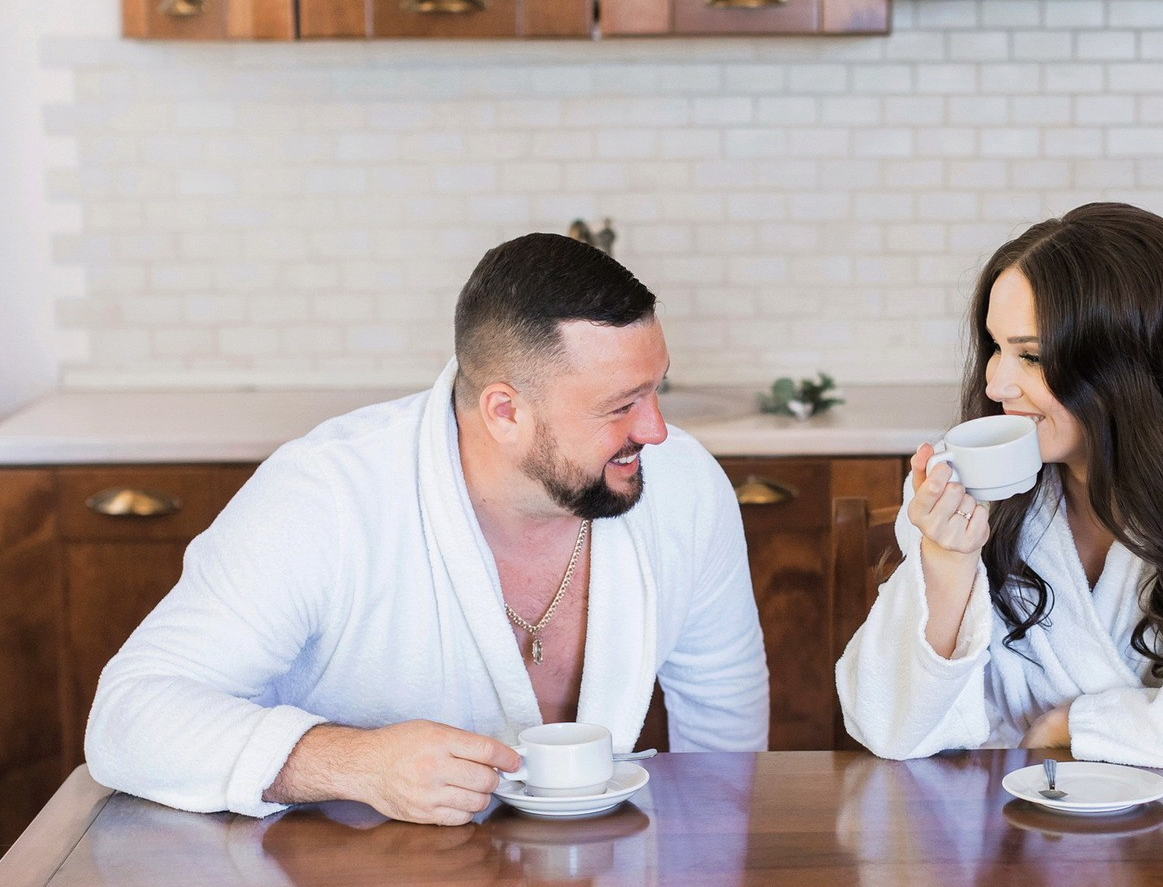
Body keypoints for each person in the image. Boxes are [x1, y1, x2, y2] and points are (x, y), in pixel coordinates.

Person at [86, 233, 768, 825]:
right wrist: (353, 762)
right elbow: (127, 718)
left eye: (656, 390)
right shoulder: (326, 497)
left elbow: (725, 726)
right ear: (505, 412)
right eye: (621, 406)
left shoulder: (683, 485)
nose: (655, 430)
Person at [837, 202, 1163, 770]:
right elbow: (888, 726)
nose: (996, 383)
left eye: (1031, 356)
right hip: (1005, 809)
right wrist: (946, 562)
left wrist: (1075, 727)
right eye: (996, 347)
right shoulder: (962, 482)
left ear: (1132, 364)